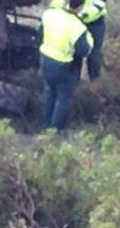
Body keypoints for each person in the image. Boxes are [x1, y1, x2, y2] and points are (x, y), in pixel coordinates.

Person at [39, 0, 93, 131]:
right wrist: (90, 39)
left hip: (45, 59)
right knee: (63, 98)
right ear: (80, 7)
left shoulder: (49, 14)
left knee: (50, 92)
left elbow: (40, 32)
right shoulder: (77, 27)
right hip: (63, 65)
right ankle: (55, 131)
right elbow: (83, 51)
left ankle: (44, 125)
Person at [79, 0, 107, 80]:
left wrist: (77, 14)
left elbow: (98, 6)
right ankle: (74, 81)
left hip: (95, 23)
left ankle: (94, 80)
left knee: (94, 54)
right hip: (78, 20)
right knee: (74, 52)